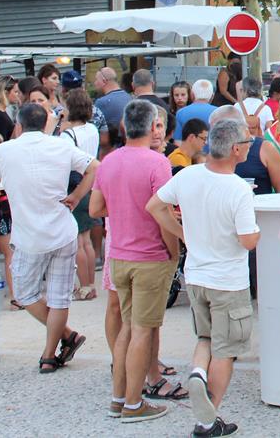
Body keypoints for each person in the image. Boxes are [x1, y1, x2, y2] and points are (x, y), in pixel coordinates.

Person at [147, 117, 259, 438]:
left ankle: (198, 373)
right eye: (247, 143)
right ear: (236, 149)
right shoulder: (238, 188)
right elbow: (247, 240)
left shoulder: (188, 176)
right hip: (229, 281)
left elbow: (154, 205)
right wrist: (257, 235)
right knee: (226, 350)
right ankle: (208, 418)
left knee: (206, 338)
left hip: (197, 275)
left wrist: (183, 235)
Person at [0, 102, 95, 376]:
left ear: (18, 124)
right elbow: (94, 167)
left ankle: (51, 351)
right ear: (45, 123)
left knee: (25, 293)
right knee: (59, 298)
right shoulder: (61, 146)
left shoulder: (6, 150)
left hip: (29, 234)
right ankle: (55, 347)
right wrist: (77, 196)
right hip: (62, 229)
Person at [90, 99, 178, 422]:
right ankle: (133, 403)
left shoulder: (109, 161)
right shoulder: (157, 163)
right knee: (143, 330)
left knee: (127, 327)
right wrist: (176, 246)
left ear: (124, 126)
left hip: (119, 255)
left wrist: (123, 205)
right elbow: (163, 212)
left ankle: (119, 398)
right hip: (149, 256)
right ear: (154, 125)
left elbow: (95, 209)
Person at [59, 89, 102, 302]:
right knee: (87, 241)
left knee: (78, 241)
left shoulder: (68, 135)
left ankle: (84, 286)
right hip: (92, 185)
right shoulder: (92, 129)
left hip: (76, 185)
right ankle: (90, 284)